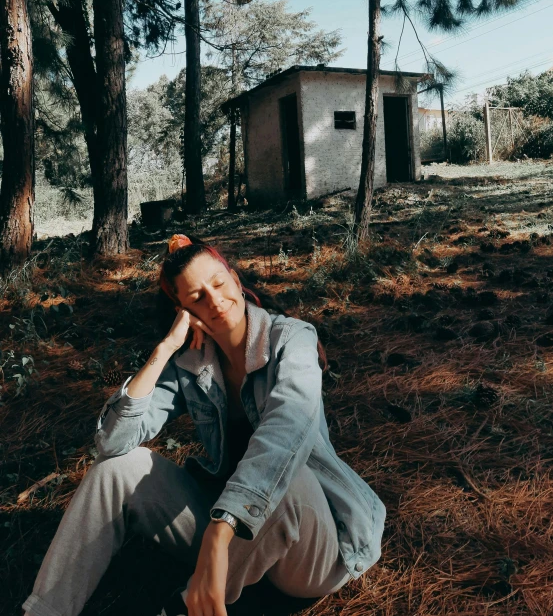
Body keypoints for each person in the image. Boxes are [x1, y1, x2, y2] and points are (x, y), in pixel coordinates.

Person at [22, 234, 386, 616]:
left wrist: (222, 527)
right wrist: (164, 350)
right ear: (183, 310)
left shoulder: (291, 339)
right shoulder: (191, 363)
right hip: (228, 537)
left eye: (218, 283)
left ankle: (184, 608)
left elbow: (286, 430)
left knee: (290, 481)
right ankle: (45, 611)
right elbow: (112, 442)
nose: (214, 300)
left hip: (307, 549)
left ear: (234, 278)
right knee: (117, 467)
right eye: (196, 297)